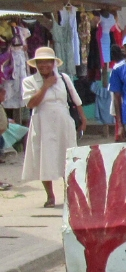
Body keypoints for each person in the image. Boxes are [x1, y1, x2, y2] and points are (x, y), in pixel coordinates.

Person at [21, 46, 87, 208]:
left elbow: (75, 100)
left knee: (67, 157)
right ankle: (50, 195)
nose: (44, 66)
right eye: (40, 63)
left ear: (53, 63)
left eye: (47, 62)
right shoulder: (29, 82)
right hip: (42, 122)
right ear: (35, 64)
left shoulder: (64, 78)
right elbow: (31, 103)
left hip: (63, 121)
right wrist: (45, 86)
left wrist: (83, 119)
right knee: (45, 157)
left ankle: (69, 193)